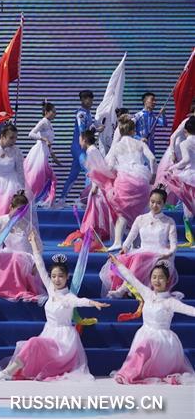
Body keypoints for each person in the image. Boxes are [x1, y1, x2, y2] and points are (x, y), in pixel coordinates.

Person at [0, 240, 109, 381]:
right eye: (53, 276)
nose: (56, 279)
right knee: (33, 344)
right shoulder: (51, 290)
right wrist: (33, 243)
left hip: (63, 341)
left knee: (33, 342)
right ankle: (10, 371)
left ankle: (9, 371)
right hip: (48, 334)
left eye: (60, 276)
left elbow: (80, 301)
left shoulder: (68, 297)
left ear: (67, 277)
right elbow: (40, 266)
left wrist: (92, 303)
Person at [109, 255, 195, 385]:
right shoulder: (147, 294)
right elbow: (131, 278)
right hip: (145, 333)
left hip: (163, 341)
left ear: (167, 280)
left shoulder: (170, 302)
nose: (157, 280)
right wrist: (117, 263)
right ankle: (129, 373)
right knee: (144, 343)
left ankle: (136, 373)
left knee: (147, 342)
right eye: (154, 277)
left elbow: (190, 310)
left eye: (161, 277)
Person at [100, 188, 177, 297]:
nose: (154, 205)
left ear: (164, 204)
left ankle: (123, 289)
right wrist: (125, 247)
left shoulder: (169, 221)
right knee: (122, 259)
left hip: (160, 253)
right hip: (142, 251)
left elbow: (174, 244)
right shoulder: (140, 219)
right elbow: (131, 236)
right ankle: (125, 289)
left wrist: (169, 253)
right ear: (149, 201)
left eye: (158, 203)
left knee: (139, 258)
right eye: (152, 202)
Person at [0, 192, 46, 302]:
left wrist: (36, 264)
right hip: (7, 253)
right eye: (18, 210)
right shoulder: (0, 222)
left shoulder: (27, 226)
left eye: (23, 210)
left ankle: (16, 289)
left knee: (14, 260)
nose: (21, 213)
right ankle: (0, 288)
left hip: (25, 257)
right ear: (10, 207)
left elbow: (39, 246)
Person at [104, 117, 156, 251]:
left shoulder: (116, 147)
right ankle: (137, 243)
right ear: (133, 131)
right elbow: (152, 158)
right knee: (140, 212)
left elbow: (110, 167)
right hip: (141, 179)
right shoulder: (140, 144)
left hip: (124, 181)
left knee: (122, 213)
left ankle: (117, 241)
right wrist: (153, 176)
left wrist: (114, 172)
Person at [59, 89, 100, 205]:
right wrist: (94, 131)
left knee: (73, 174)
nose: (89, 101)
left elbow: (90, 128)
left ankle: (61, 200)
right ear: (82, 100)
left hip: (82, 147)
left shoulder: (88, 114)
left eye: (91, 99)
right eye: (86, 99)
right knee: (89, 170)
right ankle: (86, 200)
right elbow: (82, 131)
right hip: (79, 147)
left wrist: (97, 128)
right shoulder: (81, 114)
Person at [24, 101, 60, 207]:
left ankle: (43, 200)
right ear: (46, 112)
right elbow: (31, 134)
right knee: (37, 178)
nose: (55, 114)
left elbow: (49, 143)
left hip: (45, 153)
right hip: (38, 154)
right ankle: (32, 199)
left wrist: (53, 155)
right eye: (53, 112)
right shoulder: (43, 122)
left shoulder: (49, 124)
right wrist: (43, 138)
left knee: (47, 178)